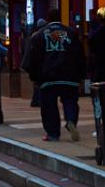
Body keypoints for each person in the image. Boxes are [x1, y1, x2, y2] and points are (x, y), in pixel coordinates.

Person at [24, 10, 85, 142]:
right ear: (60, 18)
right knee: (70, 100)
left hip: (48, 77)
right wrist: (80, 76)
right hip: (69, 77)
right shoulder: (72, 33)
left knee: (49, 105)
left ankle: (53, 133)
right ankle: (71, 120)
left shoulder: (38, 36)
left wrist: (35, 77)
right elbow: (80, 56)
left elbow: (31, 59)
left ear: (48, 19)